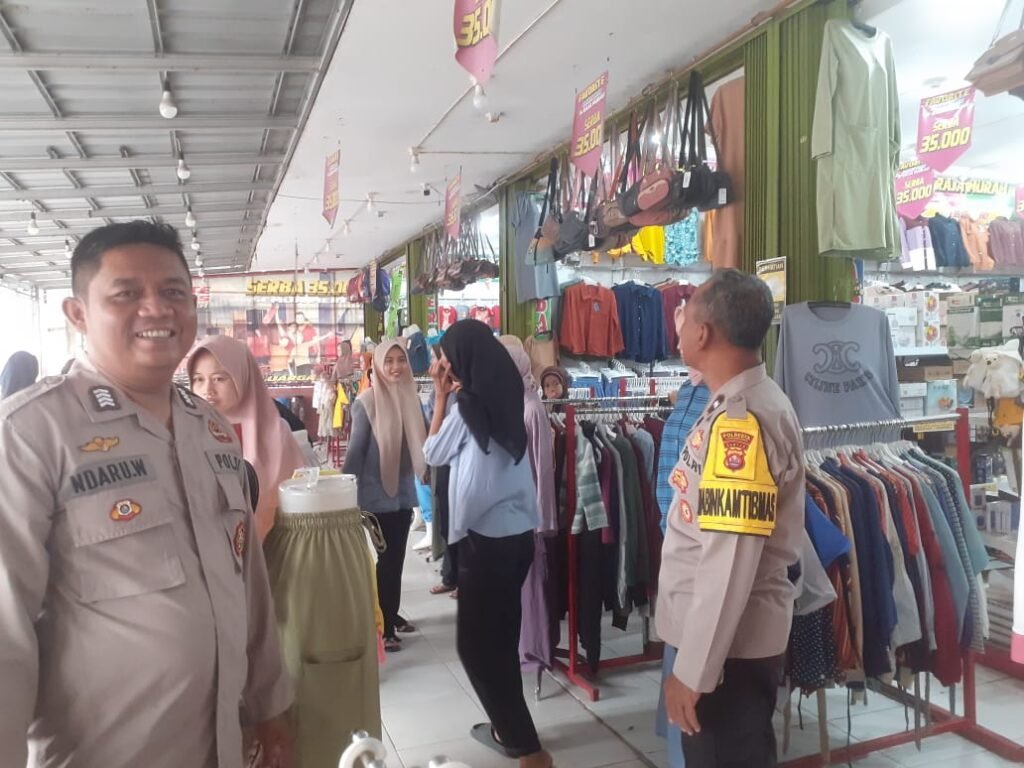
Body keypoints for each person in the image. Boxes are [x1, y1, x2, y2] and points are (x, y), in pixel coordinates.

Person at [0, 221, 293, 768]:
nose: (157, 308)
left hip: (223, 745)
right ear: (78, 314)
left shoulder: (211, 429)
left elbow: (246, 578)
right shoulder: (30, 434)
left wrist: (267, 703)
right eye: (126, 293)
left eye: (173, 291)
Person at [658, 269, 804, 768]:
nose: (678, 325)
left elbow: (729, 562)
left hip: (727, 655)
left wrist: (695, 671)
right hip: (729, 647)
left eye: (685, 315)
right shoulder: (737, 403)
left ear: (703, 333)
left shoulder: (740, 423)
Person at [423, 319, 551, 768]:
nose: (442, 365)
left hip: (485, 542)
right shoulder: (511, 395)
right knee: (501, 641)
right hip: (518, 537)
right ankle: (506, 728)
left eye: (445, 357)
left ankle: (528, 748)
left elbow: (432, 454)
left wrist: (441, 397)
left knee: (476, 649)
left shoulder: (466, 408)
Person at [343, 339, 427, 652]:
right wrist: (344, 494)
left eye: (400, 360)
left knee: (397, 557)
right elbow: (355, 452)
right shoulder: (366, 403)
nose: (395, 367)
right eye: (388, 361)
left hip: (403, 493)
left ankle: (390, 612)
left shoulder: (410, 397)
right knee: (388, 558)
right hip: (375, 495)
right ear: (378, 365)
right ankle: (385, 627)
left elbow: (425, 440)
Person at [188, 334, 307, 541]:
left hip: (270, 549)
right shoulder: (183, 433)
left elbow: (297, 504)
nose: (207, 390)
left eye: (219, 379)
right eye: (198, 379)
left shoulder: (275, 433)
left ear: (242, 377)